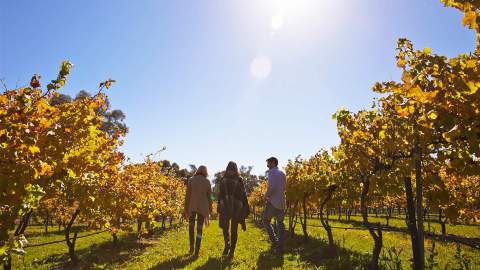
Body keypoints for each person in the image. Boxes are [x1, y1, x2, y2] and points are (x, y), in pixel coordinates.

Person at [217, 161, 250, 257]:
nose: (231, 171)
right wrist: (220, 204)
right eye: (230, 169)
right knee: (226, 227)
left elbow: (243, 194)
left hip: (235, 207)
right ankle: (227, 245)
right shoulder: (225, 179)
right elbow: (221, 194)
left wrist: (244, 207)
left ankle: (231, 249)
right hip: (227, 206)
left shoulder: (238, 179)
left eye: (232, 169)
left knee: (232, 229)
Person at [184, 165, 212, 257]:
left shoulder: (191, 180)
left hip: (192, 206)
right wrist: (210, 207)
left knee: (191, 227)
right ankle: (197, 250)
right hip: (203, 208)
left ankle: (191, 247)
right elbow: (209, 196)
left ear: (198, 171)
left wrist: (186, 207)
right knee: (199, 229)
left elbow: (188, 195)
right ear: (205, 172)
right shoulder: (207, 182)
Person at [262, 157, 286, 253]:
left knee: (265, 220)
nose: (267, 165)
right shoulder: (282, 173)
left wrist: (265, 196)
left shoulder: (271, 172)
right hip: (281, 201)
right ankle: (280, 245)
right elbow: (284, 187)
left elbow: (271, 187)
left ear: (273, 163)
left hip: (273, 202)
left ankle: (274, 241)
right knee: (280, 223)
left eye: (268, 163)